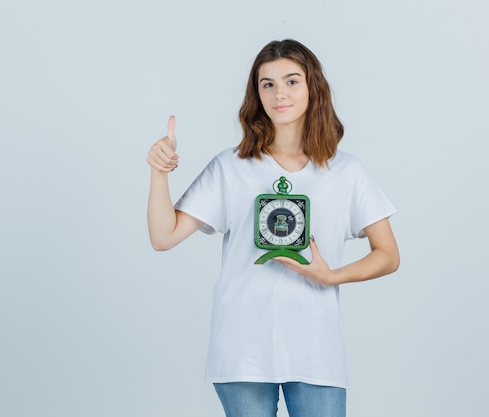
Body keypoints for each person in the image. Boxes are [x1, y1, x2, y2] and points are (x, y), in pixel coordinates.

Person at [146, 39, 399, 417]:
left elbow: (388, 255)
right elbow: (163, 237)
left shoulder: (346, 172)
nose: (279, 93)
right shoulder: (230, 167)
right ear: (257, 94)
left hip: (316, 350)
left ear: (313, 88)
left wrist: (331, 276)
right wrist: (158, 172)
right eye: (267, 84)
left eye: (292, 81)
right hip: (242, 350)